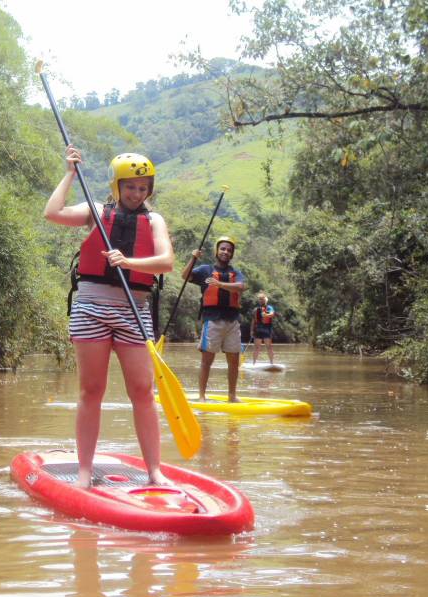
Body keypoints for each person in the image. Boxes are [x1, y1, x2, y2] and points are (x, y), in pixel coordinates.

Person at [44, 145, 175, 488]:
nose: (136, 193)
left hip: (134, 310)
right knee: (92, 390)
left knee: (143, 392)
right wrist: (70, 173)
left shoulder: (155, 219)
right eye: (130, 186)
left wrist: (130, 263)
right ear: (117, 185)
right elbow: (53, 213)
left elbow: (166, 262)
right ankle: (84, 471)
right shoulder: (96, 210)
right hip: (91, 308)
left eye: (143, 188)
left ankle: (155, 471)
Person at [181, 237, 246, 402]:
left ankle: (232, 396)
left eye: (229, 250)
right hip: (212, 320)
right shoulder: (205, 270)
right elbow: (185, 276)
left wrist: (219, 284)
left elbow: (241, 287)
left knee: (234, 361)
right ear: (217, 251)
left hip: (232, 321)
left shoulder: (235, 273)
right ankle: (202, 396)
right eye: (223, 249)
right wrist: (193, 258)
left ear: (232, 254)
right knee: (206, 361)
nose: (226, 252)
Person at [250, 291, 277, 364]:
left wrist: (266, 315)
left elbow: (272, 314)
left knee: (269, 347)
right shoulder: (256, 310)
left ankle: (271, 363)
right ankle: (254, 363)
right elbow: (253, 321)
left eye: (262, 299)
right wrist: (251, 331)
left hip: (267, 328)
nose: (261, 300)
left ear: (265, 300)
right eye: (260, 299)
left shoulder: (269, 308)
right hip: (258, 329)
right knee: (257, 347)